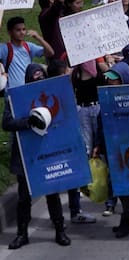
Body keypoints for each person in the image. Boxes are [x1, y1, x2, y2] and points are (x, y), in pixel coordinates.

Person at [5, 65, 69, 249]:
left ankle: (60, 230)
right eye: (34, 80)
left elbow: (65, 120)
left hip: (47, 152)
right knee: (24, 197)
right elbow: (6, 123)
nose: (38, 83)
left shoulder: (54, 95)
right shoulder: (15, 98)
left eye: (41, 79)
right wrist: (27, 122)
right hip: (26, 155)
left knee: (52, 193)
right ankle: (22, 234)